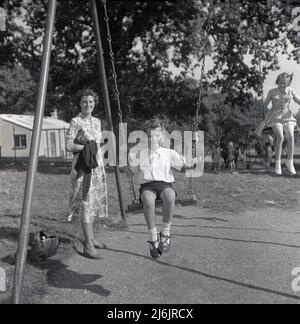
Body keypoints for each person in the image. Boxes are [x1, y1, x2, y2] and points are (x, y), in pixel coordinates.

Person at [129, 120, 197, 259]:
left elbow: (185, 166)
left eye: (156, 136)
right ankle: (153, 237)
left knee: (170, 196)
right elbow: (133, 172)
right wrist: (127, 164)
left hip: (165, 184)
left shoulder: (169, 153)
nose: (153, 139)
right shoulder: (139, 153)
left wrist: (193, 159)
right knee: (148, 199)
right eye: (149, 136)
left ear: (162, 137)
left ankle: (165, 232)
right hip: (147, 185)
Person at [66, 89, 108, 259]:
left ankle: (92, 238)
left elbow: (97, 144)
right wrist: (86, 147)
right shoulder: (76, 121)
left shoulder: (97, 122)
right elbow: (69, 146)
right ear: (79, 103)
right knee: (85, 204)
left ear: (94, 103)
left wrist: (96, 151)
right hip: (83, 167)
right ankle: (88, 245)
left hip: (96, 167)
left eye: (91, 102)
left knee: (93, 203)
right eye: (84, 102)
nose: (88, 105)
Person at [262, 73, 300, 175]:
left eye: (284, 83)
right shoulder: (272, 91)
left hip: (287, 117)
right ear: (277, 81)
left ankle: (289, 162)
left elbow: (298, 101)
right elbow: (265, 104)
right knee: (280, 136)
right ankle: (277, 164)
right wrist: (263, 106)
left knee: (291, 136)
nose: (282, 84)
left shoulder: (291, 91)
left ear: (288, 83)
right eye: (280, 82)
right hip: (275, 117)